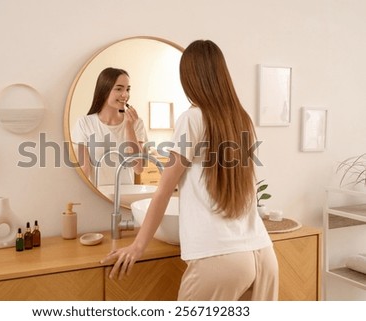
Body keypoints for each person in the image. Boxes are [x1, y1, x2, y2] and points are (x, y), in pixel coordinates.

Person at [100, 40, 279, 301]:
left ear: (190, 78)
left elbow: (162, 192)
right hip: (262, 254)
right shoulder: (242, 118)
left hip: (220, 257)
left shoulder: (192, 118)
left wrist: (138, 246)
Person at [71, 67, 147, 186]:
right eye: (119, 89)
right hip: (97, 196)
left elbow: (138, 168)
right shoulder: (84, 123)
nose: (125, 94)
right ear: (104, 90)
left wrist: (129, 127)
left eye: (127, 89)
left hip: (126, 198)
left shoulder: (136, 123)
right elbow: (84, 170)